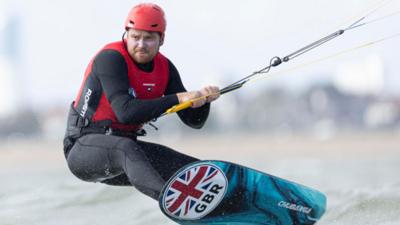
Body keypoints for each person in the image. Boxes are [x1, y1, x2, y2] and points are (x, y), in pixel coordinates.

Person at [63, 3, 220, 201]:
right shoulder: (110, 59)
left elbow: (194, 122)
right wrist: (179, 98)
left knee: (195, 171)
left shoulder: (165, 68)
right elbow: (126, 113)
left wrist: (204, 101)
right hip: (83, 150)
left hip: (127, 155)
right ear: (126, 34)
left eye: (148, 38)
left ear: (161, 39)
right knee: (126, 149)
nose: (141, 44)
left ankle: (229, 203)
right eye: (135, 37)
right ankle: (171, 201)